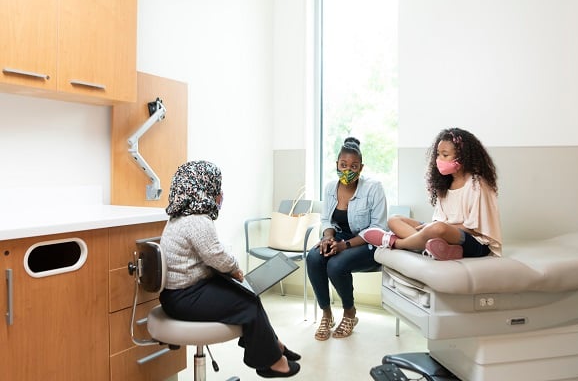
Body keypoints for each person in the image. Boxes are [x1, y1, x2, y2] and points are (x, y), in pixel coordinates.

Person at [158, 160, 301, 378]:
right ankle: (273, 362)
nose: (220, 193)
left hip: (180, 294)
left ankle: (274, 345)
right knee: (248, 304)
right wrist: (236, 270)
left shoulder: (180, 217)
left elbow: (207, 252)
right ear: (203, 188)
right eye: (217, 187)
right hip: (185, 297)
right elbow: (218, 256)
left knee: (248, 294)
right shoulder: (197, 220)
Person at [360, 127, 501, 260]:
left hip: (475, 243)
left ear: (462, 157)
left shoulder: (477, 184)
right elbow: (439, 221)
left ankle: (397, 243)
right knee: (394, 220)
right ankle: (433, 247)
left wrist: (433, 227)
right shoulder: (445, 184)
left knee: (437, 228)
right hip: (442, 232)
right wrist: (431, 227)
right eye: (438, 154)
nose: (438, 159)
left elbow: (475, 230)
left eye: (445, 155)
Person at [306, 137, 387, 341]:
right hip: (340, 239)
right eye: (343, 165)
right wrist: (327, 238)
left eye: (353, 166)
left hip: (369, 244)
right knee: (314, 258)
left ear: (361, 168)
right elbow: (326, 220)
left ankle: (349, 312)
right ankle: (326, 314)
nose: (347, 170)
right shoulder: (330, 188)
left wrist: (345, 245)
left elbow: (378, 228)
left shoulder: (373, 188)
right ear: (336, 165)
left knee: (336, 264)